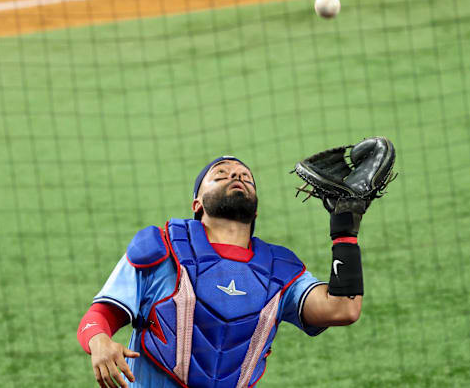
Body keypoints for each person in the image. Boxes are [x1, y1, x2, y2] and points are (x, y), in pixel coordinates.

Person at [77, 156, 367, 388]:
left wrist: (345, 231)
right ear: (197, 204)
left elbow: (343, 309)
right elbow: (99, 315)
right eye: (221, 174)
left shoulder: (280, 270)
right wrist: (99, 342)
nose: (236, 176)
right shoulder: (161, 247)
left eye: (245, 176)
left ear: (255, 212)